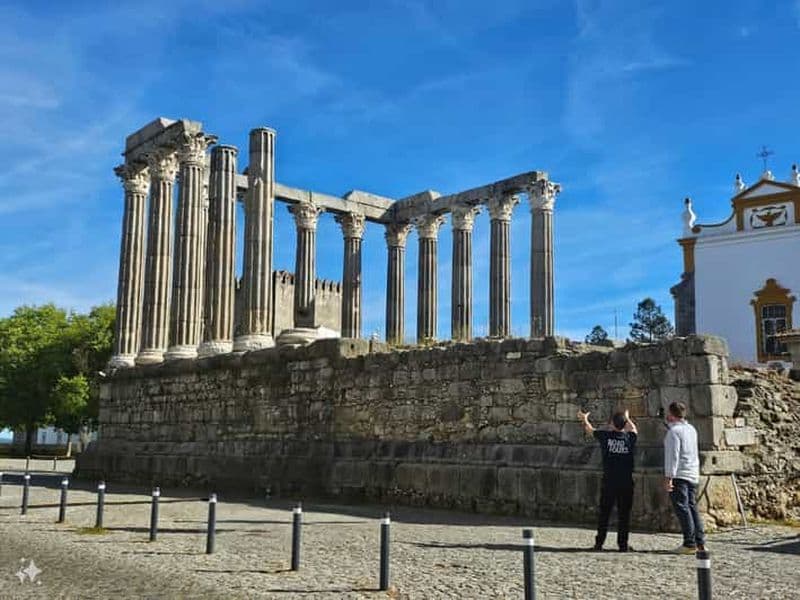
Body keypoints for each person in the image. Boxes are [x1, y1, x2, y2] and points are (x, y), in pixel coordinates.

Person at [577, 408, 638, 552]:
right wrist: (627, 417)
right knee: (624, 515)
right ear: (624, 425)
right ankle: (622, 544)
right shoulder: (629, 438)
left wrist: (585, 419)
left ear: (611, 424)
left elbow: (590, 430)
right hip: (626, 482)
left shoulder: (605, 436)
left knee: (604, 513)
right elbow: (634, 429)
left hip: (609, 481)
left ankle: (599, 543)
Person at [663, 401, 706, 554]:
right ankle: (699, 541)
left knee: (682, 508)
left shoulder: (674, 432)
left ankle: (689, 542)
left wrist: (669, 477)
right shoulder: (691, 429)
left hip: (680, 474)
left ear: (671, 414)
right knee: (692, 507)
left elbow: (672, 456)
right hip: (692, 472)